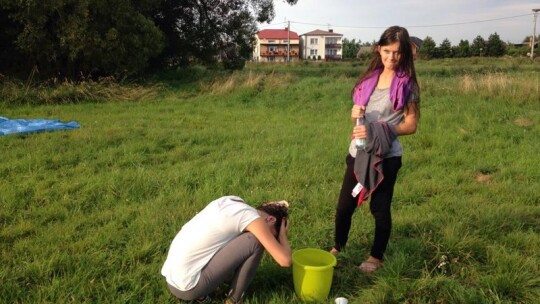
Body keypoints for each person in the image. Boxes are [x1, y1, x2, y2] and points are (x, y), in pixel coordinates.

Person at [330, 26, 420, 273]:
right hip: (358, 152)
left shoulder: (407, 84)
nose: (392, 58)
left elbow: (411, 125)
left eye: (398, 53)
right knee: (344, 206)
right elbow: (360, 122)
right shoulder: (368, 80)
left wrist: (381, 129)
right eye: (388, 51)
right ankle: (338, 246)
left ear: (405, 54)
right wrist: (355, 115)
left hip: (386, 156)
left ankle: (376, 257)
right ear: (379, 49)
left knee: (379, 209)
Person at [161, 196, 291, 303]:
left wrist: (278, 206)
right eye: (272, 235)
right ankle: (234, 300)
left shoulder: (233, 201)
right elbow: (285, 261)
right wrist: (282, 236)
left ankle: (204, 294)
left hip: (173, 279)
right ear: (270, 219)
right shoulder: (252, 219)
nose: (270, 238)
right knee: (255, 241)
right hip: (188, 288)